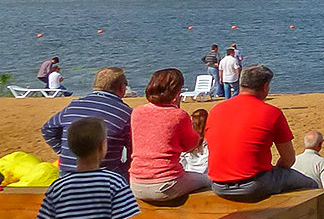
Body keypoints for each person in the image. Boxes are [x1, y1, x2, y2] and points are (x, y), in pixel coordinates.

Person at [205, 64, 317, 202]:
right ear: (265, 87)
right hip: (253, 183)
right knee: (312, 186)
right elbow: (288, 159)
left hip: (218, 184)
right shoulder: (272, 113)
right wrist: (278, 173)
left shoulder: (216, 110)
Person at [129, 68, 210, 203]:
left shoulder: (137, 112)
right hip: (166, 183)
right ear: (176, 91)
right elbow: (190, 145)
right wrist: (177, 109)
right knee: (207, 180)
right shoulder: (179, 115)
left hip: (136, 182)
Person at [41, 67, 133, 180]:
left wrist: (65, 151)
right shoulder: (125, 113)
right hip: (105, 178)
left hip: (67, 176)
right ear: (122, 88)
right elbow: (134, 147)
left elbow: (47, 129)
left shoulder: (74, 106)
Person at [181, 108, 209, 174]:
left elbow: (182, 160)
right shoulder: (210, 140)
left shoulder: (187, 138)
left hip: (189, 173)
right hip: (206, 175)